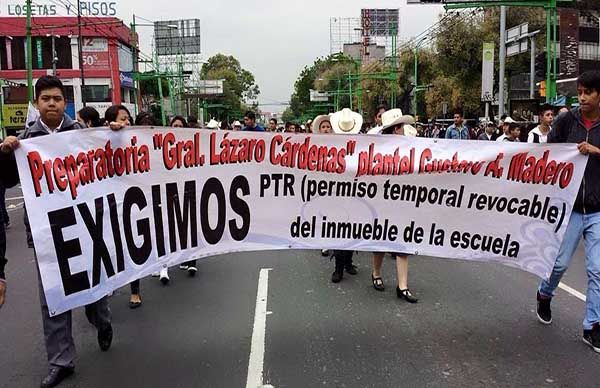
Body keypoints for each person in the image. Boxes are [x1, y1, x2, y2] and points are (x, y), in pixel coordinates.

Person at [0, 75, 113, 388]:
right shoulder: (24, 140)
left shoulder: (82, 134)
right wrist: (6, 153)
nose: (51, 103)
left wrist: (116, 134)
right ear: (37, 103)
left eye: (57, 99)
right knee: (52, 298)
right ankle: (61, 361)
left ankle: (101, 318)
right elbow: (8, 181)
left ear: (65, 103)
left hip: (85, 224)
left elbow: (110, 162)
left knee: (94, 282)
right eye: (46, 99)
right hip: (46, 232)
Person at [536, 70, 600, 354]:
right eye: (580, 92)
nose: (582, 98)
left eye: (588, 92)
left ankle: (592, 326)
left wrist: (596, 151)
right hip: (571, 208)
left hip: (598, 210)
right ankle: (545, 293)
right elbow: (549, 156)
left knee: (597, 270)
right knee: (559, 263)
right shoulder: (566, 121)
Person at [369, 109, 419, 303]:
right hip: (383, 200)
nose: (402, 130)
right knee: (381, 241)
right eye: (400, 127)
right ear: (394, 129)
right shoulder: (378, 149)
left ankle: (403, 285)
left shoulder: (410, 147)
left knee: (402, 242)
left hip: (403, 199)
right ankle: (376, 272)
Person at [328, 108, 362, 283]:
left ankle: (348, 262)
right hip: (336, 192)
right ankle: (338, 267)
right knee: (338, 231)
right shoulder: (330, 145)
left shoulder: (361, 144)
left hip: (355, 192)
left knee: (351, 230)